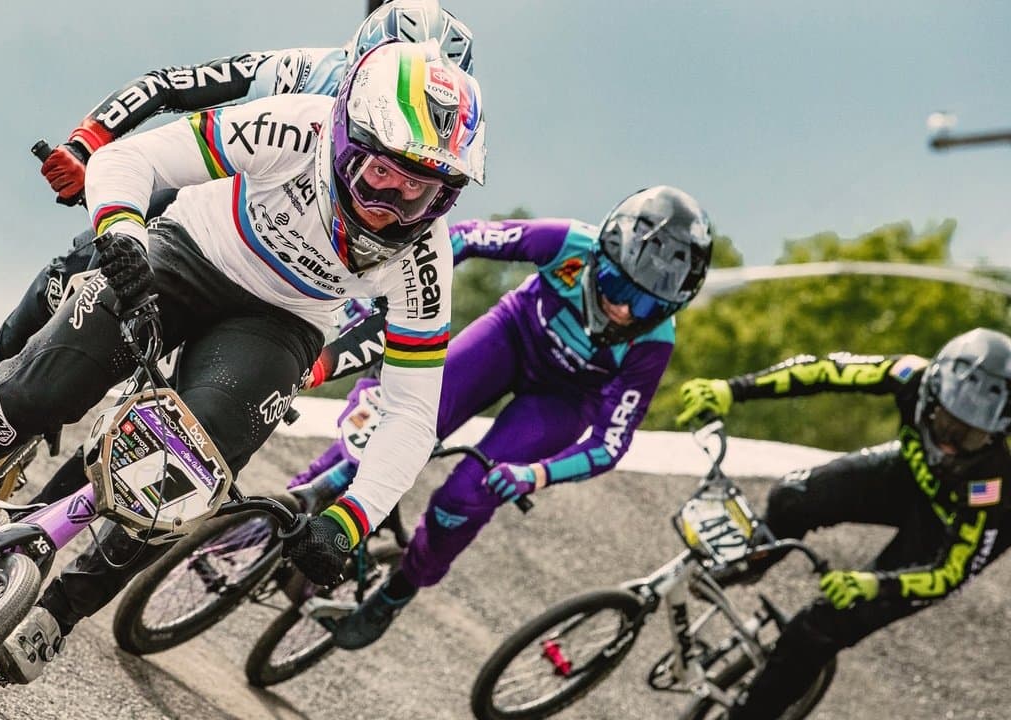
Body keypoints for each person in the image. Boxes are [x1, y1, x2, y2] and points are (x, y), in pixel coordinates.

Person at [0, 39, 487, 684]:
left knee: (190, 475)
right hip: (192, 252)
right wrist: (121, 230)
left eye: (418, 192)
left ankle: (60, 612)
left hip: (281, 325)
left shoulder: (425, 258)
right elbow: (135, 159)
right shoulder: (293, 126)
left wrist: (352, 519)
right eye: (380, 174)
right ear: (343, 140)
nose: (391, 207)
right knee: (36, 392)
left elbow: (411, 411)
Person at [0, 0, 474, 442]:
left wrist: (319, 364)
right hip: (209, 196)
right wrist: (88, 144)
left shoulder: (419, 181)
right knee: (79, 268)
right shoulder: (307, 70)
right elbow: (170, 86)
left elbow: (398, 312)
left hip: (291, 282)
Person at [311, 186, 715, 649]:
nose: (624, 310)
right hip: (511, 336)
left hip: (562, 400)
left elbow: (609, 444)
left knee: (464, 498)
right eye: (618, 286)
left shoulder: (654, 344)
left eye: (647, 306)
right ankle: (303, 494)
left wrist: (535, 475)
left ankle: (399, 589)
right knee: (397, 417)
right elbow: (461, 239)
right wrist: (392, 296)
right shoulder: (568, 242)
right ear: (601, 253)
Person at [676, 328, 1011, 719]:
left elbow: (950, 572)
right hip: (908, 475)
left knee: (818, 627)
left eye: (970, 437)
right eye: (946, 424)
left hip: (946, 532)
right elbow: (823, 371)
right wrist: (733, 389)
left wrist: (875, 584)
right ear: (930, 396)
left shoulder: (995, 480)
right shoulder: (910, 375)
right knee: (792, 496)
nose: (950, 444)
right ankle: (752, 561)